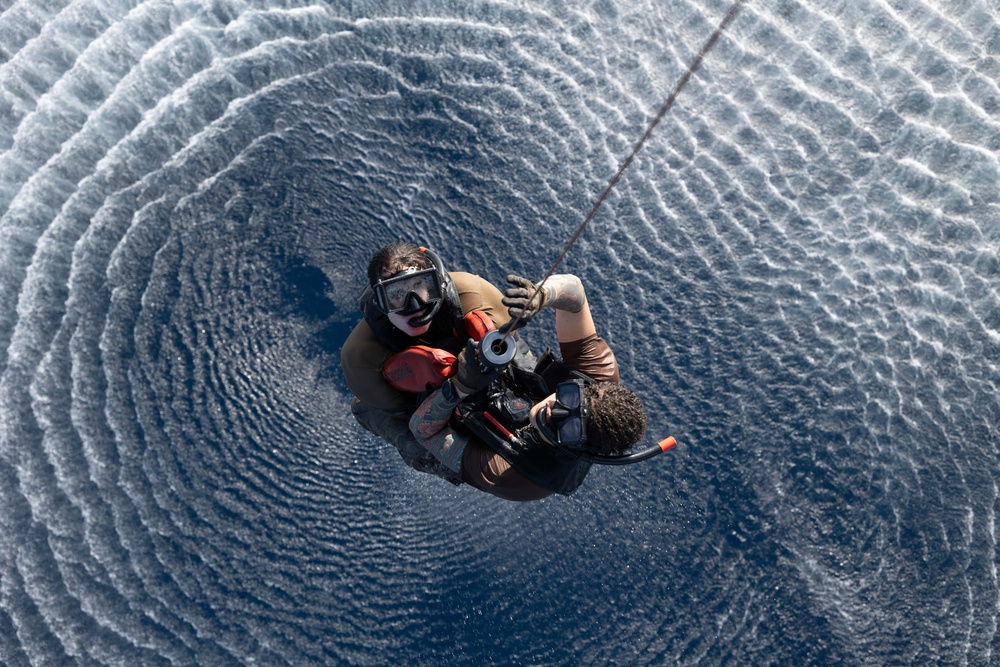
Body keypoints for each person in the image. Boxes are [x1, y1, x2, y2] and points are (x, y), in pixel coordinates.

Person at [408, 273, 647, 501]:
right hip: (510, 386)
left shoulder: (514, 476)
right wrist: (541, 294)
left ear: (579, 448)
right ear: (584, 387)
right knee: (482, 323)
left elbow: (423, 431)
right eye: (570, 399)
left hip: (448, 433)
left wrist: (459, 387)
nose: (555, 412)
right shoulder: (597, 377)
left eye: (570, 427)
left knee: (399, 425)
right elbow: (574, 292)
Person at [341, 242, 531, 483]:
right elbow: (410, 418)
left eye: (419, 286)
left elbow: (505, 347)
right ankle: (460, 469)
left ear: (436, 282)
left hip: (481, 356)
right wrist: (454, 389)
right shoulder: (361, 359)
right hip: (416, 398)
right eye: (395, 296)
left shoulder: (475, 294)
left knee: (516, 359)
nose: (414, 306)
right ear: (380, 304)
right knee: (408, 437)